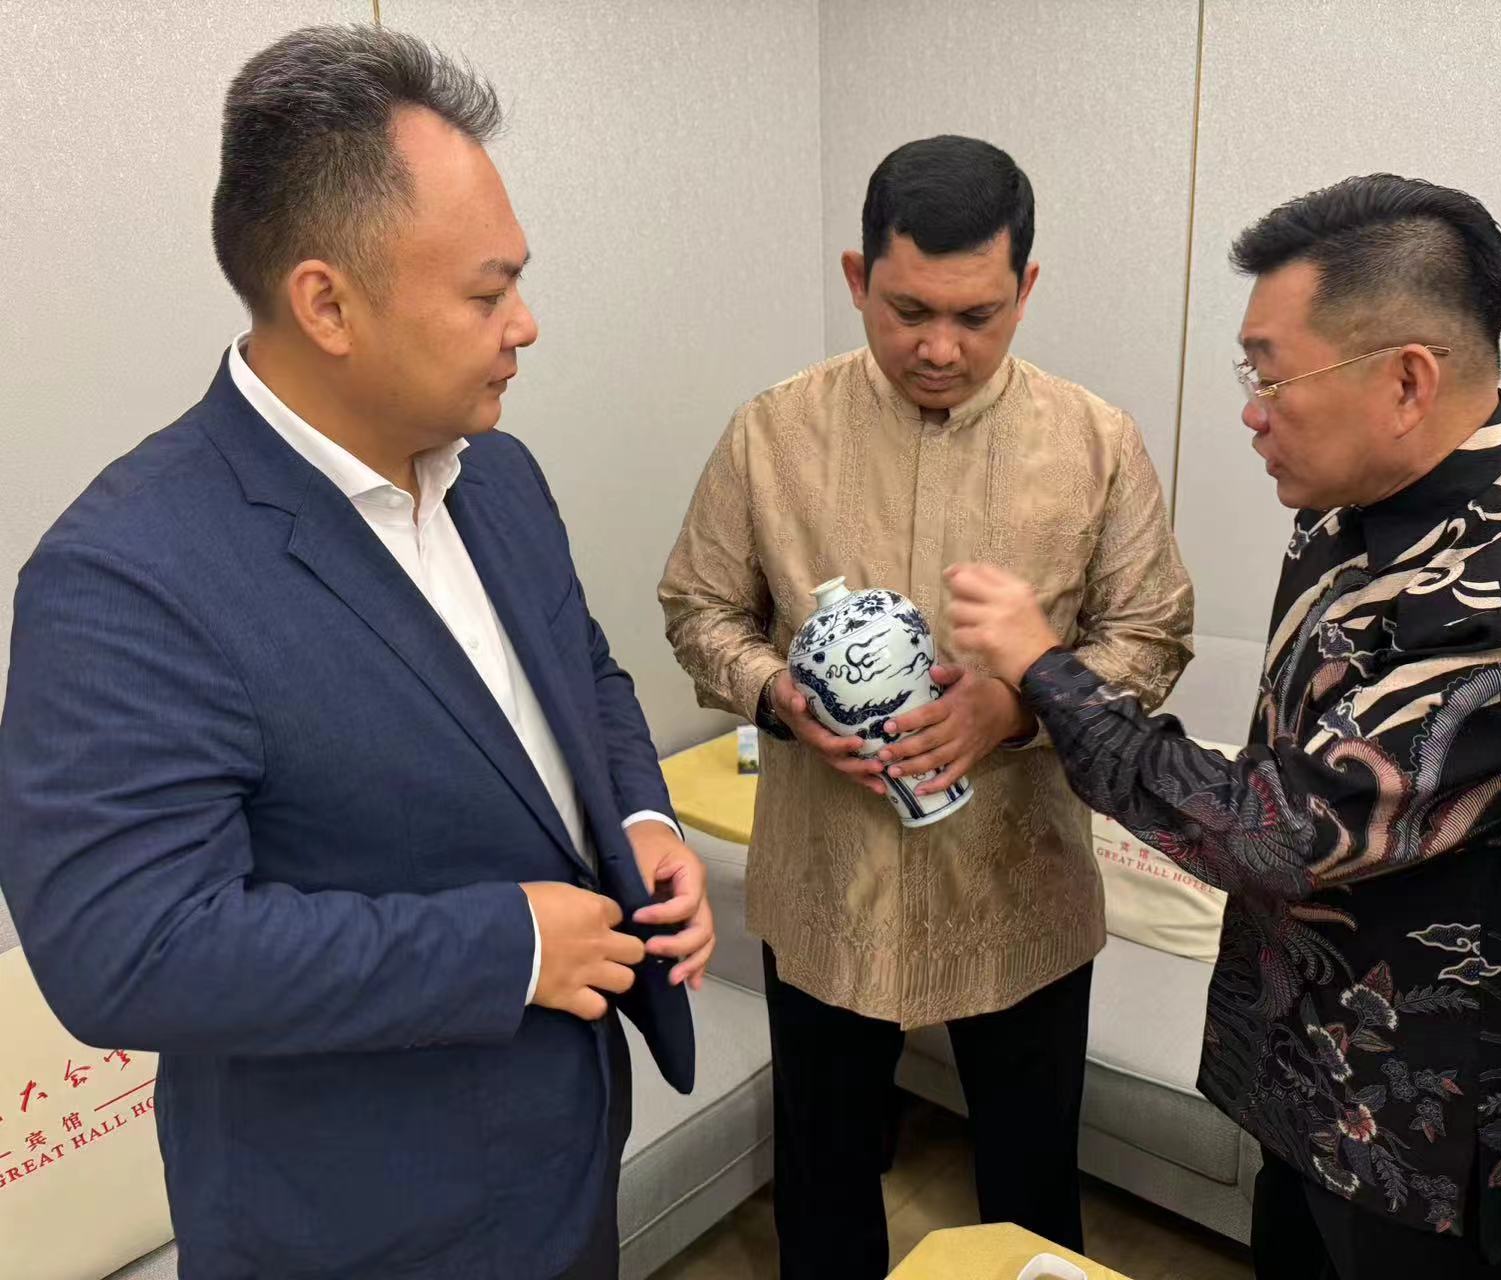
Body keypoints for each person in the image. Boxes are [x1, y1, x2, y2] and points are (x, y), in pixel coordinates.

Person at [0, 25, 712, 1280]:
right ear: (326, 301)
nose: (526, 324)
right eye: (486, 294)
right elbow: (131, 948)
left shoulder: (498, 473)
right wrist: (508, 948)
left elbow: (583, 673)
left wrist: (640, 817)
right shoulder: (128, 573)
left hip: (566, 1146)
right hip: (361, 1220)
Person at [944, 174, 1501, 1279]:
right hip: (1307, 1064)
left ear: (1407, 381)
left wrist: (1045, 669)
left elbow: (1279, 829)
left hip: (1433, 1126)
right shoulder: (1345, 509)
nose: (1252, 411)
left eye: (1271, 375)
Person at [658, 135, 1192, 1277]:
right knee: (824, 1177)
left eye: (977, 316)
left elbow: (1153, 632)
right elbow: (697, 607)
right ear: (858, 277)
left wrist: (1017, 709)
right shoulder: (771, 432)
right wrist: (778, 696)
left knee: (1032, 1193)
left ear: (1026, 289)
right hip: (826, 878)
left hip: (1020, 882)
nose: (939, 348)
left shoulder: (1095, 442)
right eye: (907, 311)